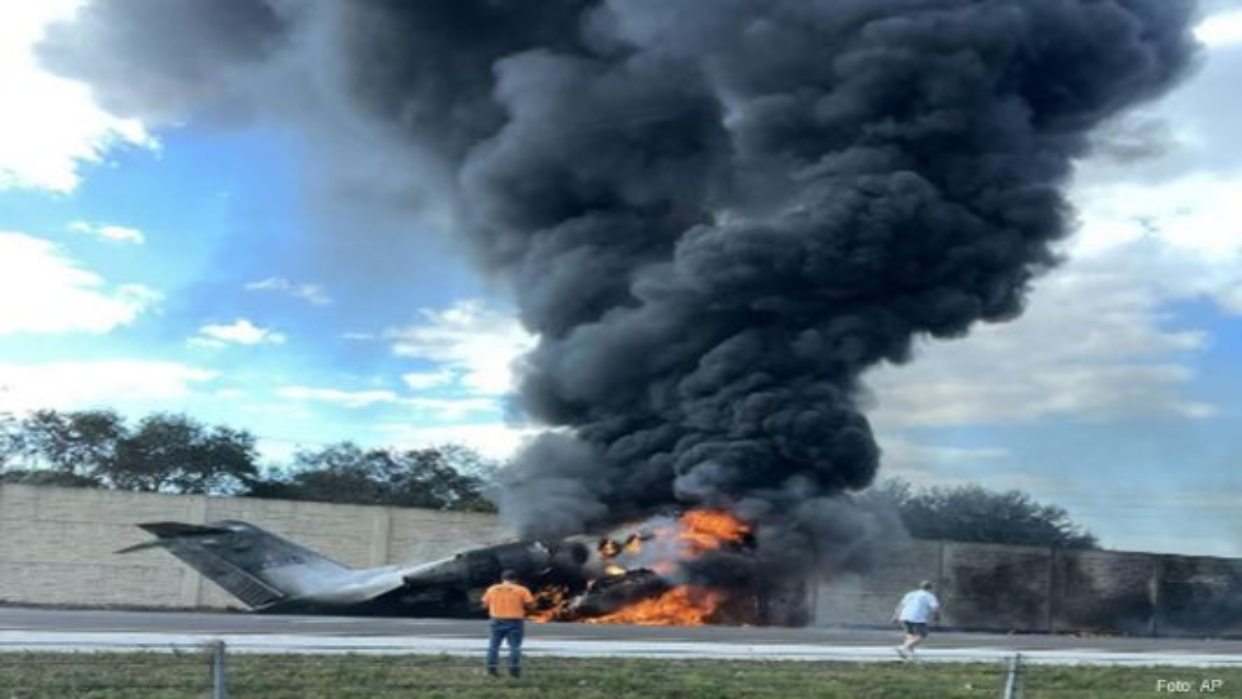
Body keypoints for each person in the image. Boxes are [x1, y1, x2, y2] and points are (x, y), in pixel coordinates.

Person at [482, 569, 535, 678]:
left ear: (502, 579)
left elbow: (484, 605)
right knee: (514, 647)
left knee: (493, 646)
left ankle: (491, 670)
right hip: (515, 621)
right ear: (516, 580)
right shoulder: (522, 590)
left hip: (496, 620)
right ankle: (514, 671)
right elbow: (531, 605)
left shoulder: (492, 589)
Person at [893, 580, 940, 660]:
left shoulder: (910, 594)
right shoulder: (929, 596)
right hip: (917, 618)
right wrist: (937, 617)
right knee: (922, 634)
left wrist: (895, 615)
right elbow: (935, 608)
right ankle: (903, 648)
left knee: (910, 634)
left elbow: (901, 605)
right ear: (930, 588)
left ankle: (910, 654)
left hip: (904, 616)